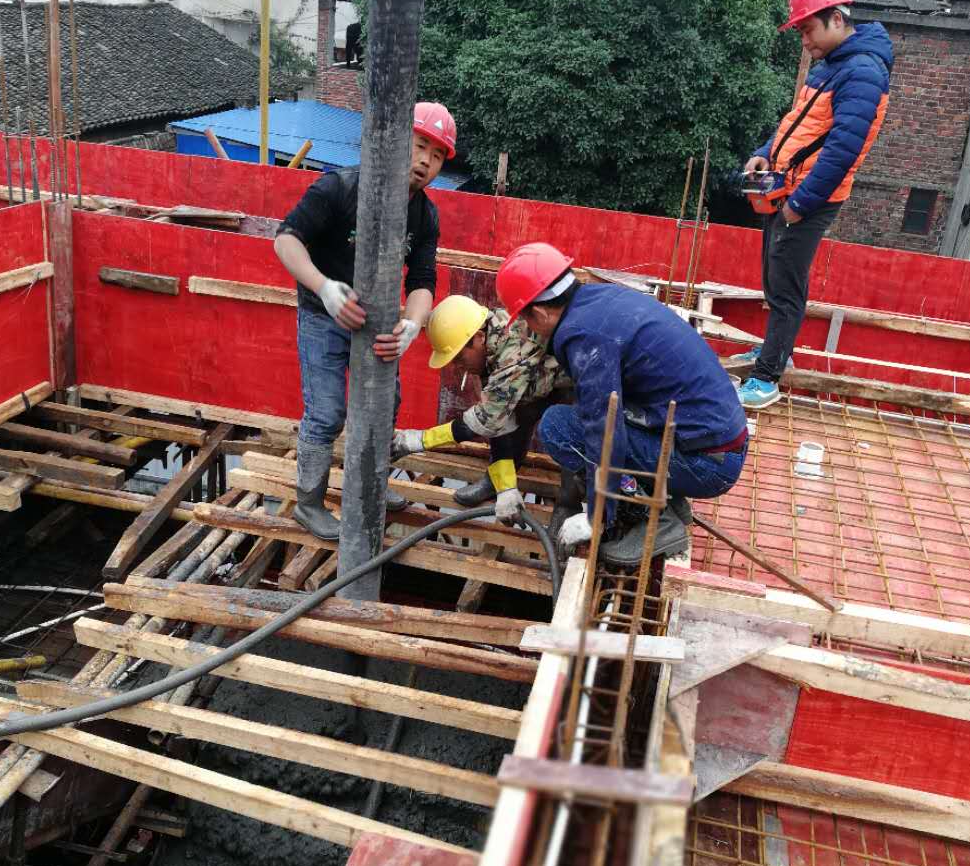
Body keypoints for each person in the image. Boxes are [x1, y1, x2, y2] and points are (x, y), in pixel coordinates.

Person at [496, 243, 748, 567]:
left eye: (526, 320)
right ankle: (668, 501)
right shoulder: (598, 301)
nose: (529, 330)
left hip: (708, 466)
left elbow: (603, 429)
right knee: (584, 420)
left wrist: (595, 515)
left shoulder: (583, 335)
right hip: (715, 444)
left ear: (541, 313)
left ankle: (658, 522)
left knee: (558, 428)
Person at [274, 101, 457, 540]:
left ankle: (370, 483)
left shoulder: (424, 215)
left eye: (436, 155)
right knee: (327, 412)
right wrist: (324, 287)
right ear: (396, 141)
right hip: (323, 314)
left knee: (384, 403)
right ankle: (309, 503)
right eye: (420, 146)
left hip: (377, 322)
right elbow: (286, 240)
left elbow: (423, 280)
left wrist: (412, 324)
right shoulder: (340, 187)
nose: (425, 161)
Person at [738, 0, 893, 411]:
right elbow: (799, 123)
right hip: (788, 188)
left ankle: (767, 378)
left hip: (810, 198)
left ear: (836, 19)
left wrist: (800, 205)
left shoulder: (862, 72)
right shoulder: (832, 65)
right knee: (775, 277)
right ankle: (776, 350)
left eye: (808, 30)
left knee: (786, 286)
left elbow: (843, 151)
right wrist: (764, 152)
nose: (805, 41)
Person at [390, 294, 562, 525]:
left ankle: (567, 506)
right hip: (544, 384)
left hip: (578, 392)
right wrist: (506, 488)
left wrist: (417, 440)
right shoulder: (491, 341)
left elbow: (484, 420)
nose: (458, 367)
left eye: (459, 357)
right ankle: (497, 483)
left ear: (479, 338)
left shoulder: (511, 354)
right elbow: (498, 423)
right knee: (511, 410)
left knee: (565, 432)